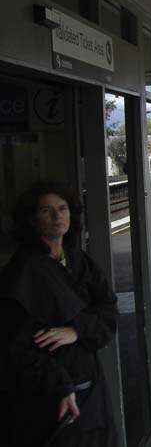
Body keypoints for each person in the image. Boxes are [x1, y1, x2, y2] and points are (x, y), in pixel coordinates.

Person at [0, 181, 118, 446]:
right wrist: (60, 385)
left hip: (91, 384)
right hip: (54, 397)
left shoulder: (78, 260)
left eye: (62, 208)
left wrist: (78, 330)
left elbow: (109, 309)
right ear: (31, 220)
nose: (57, 216)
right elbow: (17, 347)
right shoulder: (22, 273)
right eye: (46, 210)